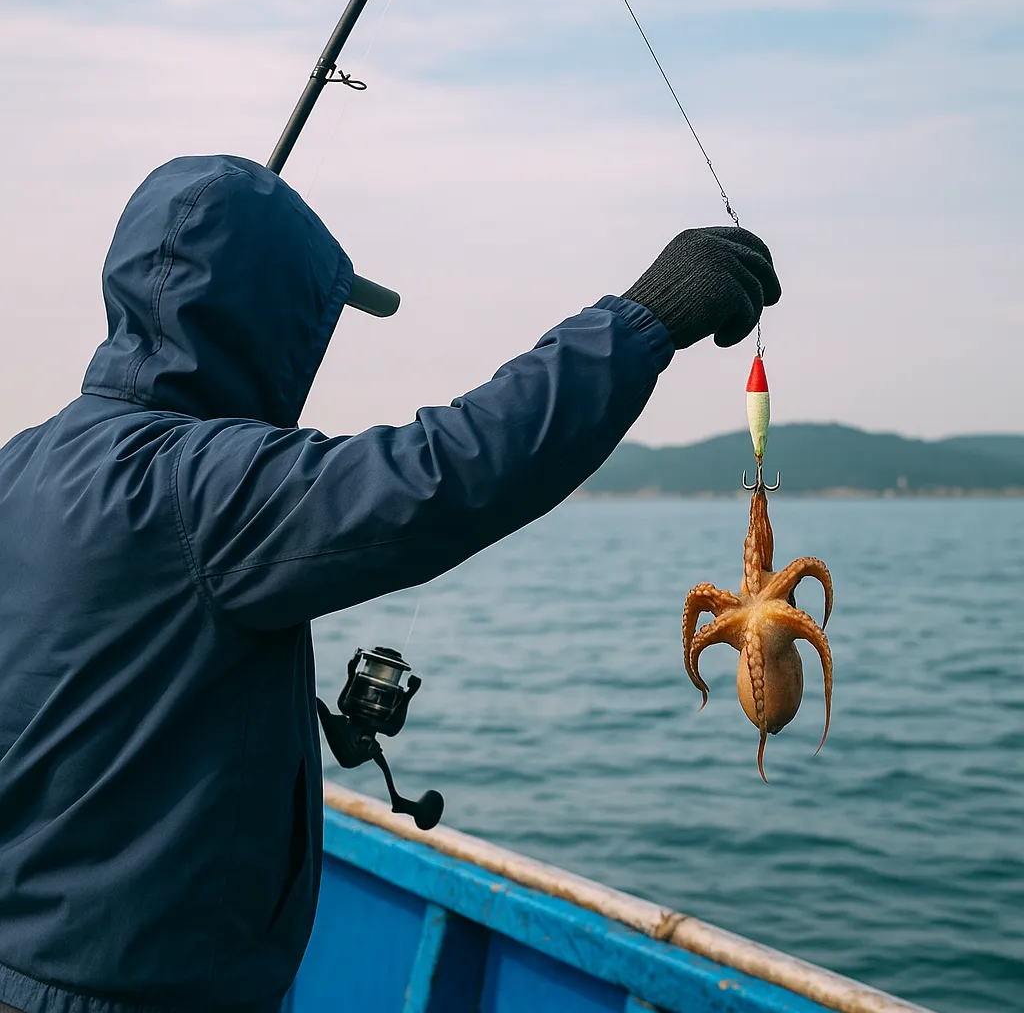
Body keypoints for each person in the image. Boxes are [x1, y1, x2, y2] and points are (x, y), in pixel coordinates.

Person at [0, 155, 781, 1013]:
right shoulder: (200, 486)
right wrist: (645, 321)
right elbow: (441, 474)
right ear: (266, 316)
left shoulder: (22, 466)